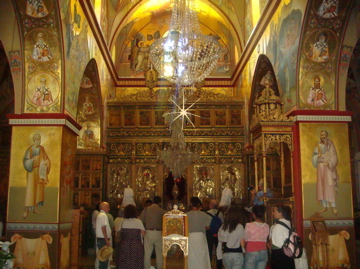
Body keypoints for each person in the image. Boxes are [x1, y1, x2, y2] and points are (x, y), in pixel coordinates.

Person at [23, 134, 51, 219]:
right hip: (32, 172)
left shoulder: (42, 149)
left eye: (39, 139)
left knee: (38, 191)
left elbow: (46, 158)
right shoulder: (30, 149)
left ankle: (35, 209)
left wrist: (46, 162)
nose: (38, 140)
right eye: (37, 139)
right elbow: (25, 161)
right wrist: (32, 160)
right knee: (31, 191)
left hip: (40, 172)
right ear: (34, 139)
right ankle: (27, 210)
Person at [312, 130, 339, 215]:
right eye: (321, 135)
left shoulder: (330, 144)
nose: (322, 137)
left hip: (327, 166)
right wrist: (317, 156)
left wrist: (329, 162)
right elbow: (314, 156)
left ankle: (333, 206)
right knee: (321, 186)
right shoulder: (318, 145)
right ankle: (325, 206)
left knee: (329, 185)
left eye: (323, 135)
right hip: (320, 167)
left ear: (326, 136)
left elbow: (334, 155)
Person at [140, 196, 166, 269]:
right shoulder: (161, 211)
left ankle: (147, 267)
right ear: (160, 202)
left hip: (148, 231)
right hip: (158, 232)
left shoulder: (146, 209)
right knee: (159, 252)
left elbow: (142, 220)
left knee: (147, 252)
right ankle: (160, 267)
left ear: (153, 201)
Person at [116, 204, 145, 269]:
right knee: (136, 262)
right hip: (136, 245)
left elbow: (119, 231)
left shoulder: (123, 221)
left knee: (125, 262)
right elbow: (143, 233)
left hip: (125, 245)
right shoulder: (138, 221)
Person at [186, 197, 211, 269]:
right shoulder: (204, 214)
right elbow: (208, 227)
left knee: (192, 255)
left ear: (191, 204)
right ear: (199, 204)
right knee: (201, 255)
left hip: (190, 236)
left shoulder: (187, 215)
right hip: (200, 236)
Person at [243, 205, 269, 269]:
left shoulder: (249, 225)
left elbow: (245, 239)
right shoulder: (266, 226)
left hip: (251, 251)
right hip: (263, 251)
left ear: (253, 214)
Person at [269, 205, 295, 269]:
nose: (272, 213)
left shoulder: (277, 226)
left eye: (274, 211)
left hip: (279, 255)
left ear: (281, 213)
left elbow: (275, 243)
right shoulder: (288, 223)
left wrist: (269, 245)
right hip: (288, 253)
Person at [206, 199, 224, 269]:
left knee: (209, 249)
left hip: (209, 233)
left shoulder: (207, 213)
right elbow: (222, 223)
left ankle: (209, 264)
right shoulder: (220, 213)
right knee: (218, 249)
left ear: (210, 205)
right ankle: (219, 264)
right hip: (218, 233)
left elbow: (206, 225)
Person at [95, 202, 112, 269]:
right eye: (108, 207)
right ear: (104, 207)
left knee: (102, 257)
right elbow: (103, 228)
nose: (109, 209)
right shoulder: (103, 215)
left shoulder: (99, 215)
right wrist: (106, 240)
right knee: (104, 258)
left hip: (100, 239)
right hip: (103, 240)